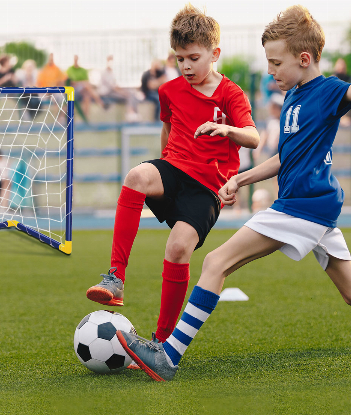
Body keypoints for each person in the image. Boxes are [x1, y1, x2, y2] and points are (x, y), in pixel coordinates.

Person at [116, 5, 351, 382]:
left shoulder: (330, 93)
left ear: (304, 59)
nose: (270, 72)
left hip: (301, 208)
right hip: (316, 209)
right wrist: (240, 179)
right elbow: (283, 159)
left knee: (214, 263)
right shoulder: (293, 96)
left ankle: (168, 356)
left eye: (276, 64)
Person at [85, 3, 259, 371]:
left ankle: (162, 345)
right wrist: (163, 160)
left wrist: (228, 129)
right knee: (136, 176)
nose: (186, 66)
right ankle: (115, 278)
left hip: (207, 188)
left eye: (194, 58)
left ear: (215, 53)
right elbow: (168, 125)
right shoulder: (170, 90)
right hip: (175, 169)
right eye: (180, 59)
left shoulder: (231, 94)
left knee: (179, 248)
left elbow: (254, 138)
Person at [98, 55, 140, 122]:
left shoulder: (111, 72)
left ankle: (134, 113)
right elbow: (113, 87)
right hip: (106, 94)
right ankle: (130, 114)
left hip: (111, 91)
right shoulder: (105, 72)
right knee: (129, 95)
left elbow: (115, 85)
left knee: (131, 93)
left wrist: (124, 91)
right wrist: (124, 93)